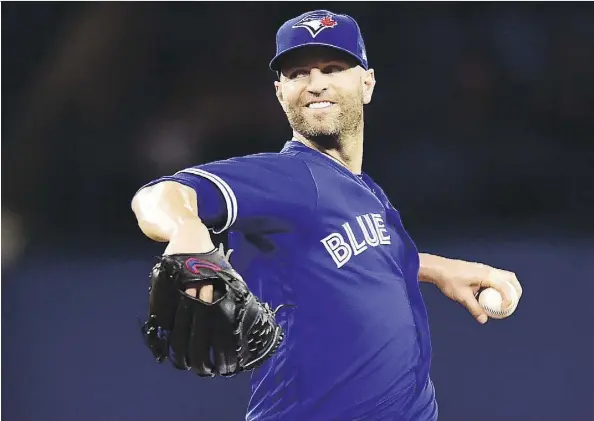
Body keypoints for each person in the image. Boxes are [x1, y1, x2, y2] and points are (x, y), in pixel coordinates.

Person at [132, 9, 523, 421]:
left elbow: (357, 258)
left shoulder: (368, 193)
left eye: (333, 67)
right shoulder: (290, 177)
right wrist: (187, 230)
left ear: (367, 83)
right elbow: (158, 196)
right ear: (281, 92)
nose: (316, 83)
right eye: (299, 73)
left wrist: (438, 268)